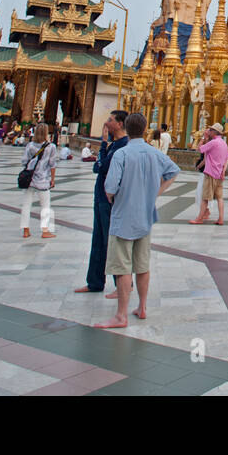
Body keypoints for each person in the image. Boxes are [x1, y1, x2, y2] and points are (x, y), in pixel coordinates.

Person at [94, 112, 180, 327]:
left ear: (125, 129)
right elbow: (173, 170)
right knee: (142, 264)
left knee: (123, 266)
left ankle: (121, 315)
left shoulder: (121, 154)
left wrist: (114, 197)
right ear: (144, 130)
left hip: (124, 215)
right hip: (145, 215)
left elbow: (110, 187)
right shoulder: (154, 153)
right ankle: (142, 307)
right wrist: (156, 192)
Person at [76, 110, 129, 294]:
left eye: (110, 120)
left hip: (111, 200)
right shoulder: (115, 144)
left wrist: (104, 144)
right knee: (98, 240)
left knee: (112, 242)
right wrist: (105, 148)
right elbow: (97, 166)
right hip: (100, 197)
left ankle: (122, 285)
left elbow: (101, 166)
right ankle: (95, 282)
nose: (106, 123)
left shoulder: (123, 145)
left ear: (120, 124)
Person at [20, 123, 58, 239]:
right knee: (45, 206)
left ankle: (26, 230)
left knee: (26, 205)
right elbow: (52, 164)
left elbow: (24, 161)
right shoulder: (51, 147)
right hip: (43, 179)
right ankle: (45, 230)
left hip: (29, 179)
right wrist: (52, 179)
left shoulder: (30, 145)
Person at [191, 122, 228, 225]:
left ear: (215, 132)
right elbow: (226, 159)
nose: (209, 131)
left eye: (211, 130)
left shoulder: (214, 142)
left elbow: (199, 149)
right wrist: (223, 172)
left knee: (205, 198)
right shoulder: (224, 143)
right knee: (220, 198)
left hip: (210, 173)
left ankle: (199, 219)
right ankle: (221, 219)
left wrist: (204, 137)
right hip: (219, 174)